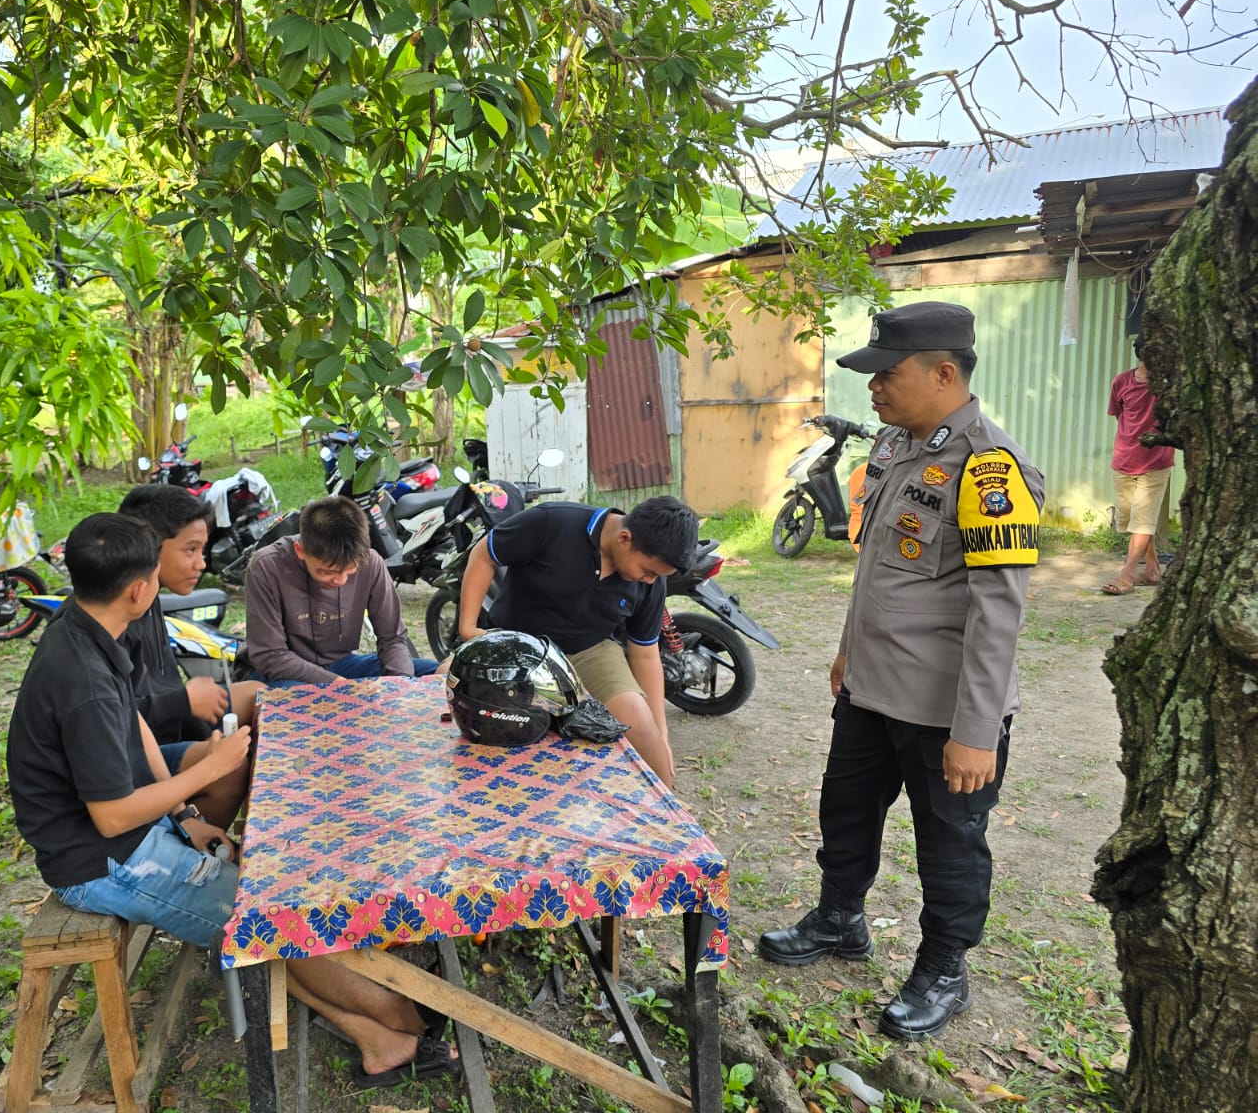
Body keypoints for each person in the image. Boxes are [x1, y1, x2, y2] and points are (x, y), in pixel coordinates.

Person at [7, 513, 458, 1088]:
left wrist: (186, 815)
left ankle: (380, 1039)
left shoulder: (87, 629)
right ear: (141, 589)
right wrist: (209, 770)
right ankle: (400, 1015)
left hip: (128, 831)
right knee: (266, 914)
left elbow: (137, 733)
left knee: (267, 890)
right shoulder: (82, 682)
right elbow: (112, 815)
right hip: (100, 859)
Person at [756, 301, 1045, 1042]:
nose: (874, 388)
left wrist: (976, 730)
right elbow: (878, 569)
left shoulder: (990, 468)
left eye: (888, 374)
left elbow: (998, 611)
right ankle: (839, 918)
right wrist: (851, 650)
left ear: (944, 373)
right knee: (844, 813)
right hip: (871, 688)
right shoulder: (893, 444)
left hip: (944, 709)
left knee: (949, 844)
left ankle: (945, 970)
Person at [455, 494, 698, 788]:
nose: (649, 580)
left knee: (643, 728)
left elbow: (645, 655)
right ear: (624, 538)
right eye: (647, 572)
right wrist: (468, 627)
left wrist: (661, 733)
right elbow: (484, 555)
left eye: (656, 576)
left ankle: (668, 824)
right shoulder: (551, 522)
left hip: (590, 650)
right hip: (518, 645)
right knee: (448, 687)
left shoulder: (651, 581)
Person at [115, 484, 261, 828]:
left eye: (203, 550)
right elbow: (114, 719)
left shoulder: (150, 597)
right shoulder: (116, 614)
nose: (202, 563)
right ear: (147, 546)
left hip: (167, 720)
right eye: (190, 550)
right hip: (137, 751)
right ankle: (195, 848)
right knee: (232, 766)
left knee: (257, 694)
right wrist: (182, 701)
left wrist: (190, 701)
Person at [243, 496, 438, 685]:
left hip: (344, 665)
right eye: (328, 572)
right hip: (287, 674)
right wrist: (339, 687)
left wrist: (399, 684)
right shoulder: (267, 567)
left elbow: (392, 638)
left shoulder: (371, 563)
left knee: (433, 674)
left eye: (350, 570)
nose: (341, 580)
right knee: (299, 704)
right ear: (300, 550)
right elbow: (270, 656)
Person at [1101, 336, 1175, 595]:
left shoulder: (1168, 386)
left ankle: (1127, 575)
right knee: (1136, 522)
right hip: (1124, 461)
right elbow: (1120, 416)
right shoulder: (1121, 382)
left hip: (1157, 462)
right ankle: (1153, 570)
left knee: (1142, 522)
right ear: (1142, 355)